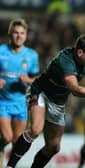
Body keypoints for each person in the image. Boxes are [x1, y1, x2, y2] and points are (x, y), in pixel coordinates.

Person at [6, 34, 85, 168]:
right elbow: (75, 90)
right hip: (41, 92)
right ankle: (10, 166)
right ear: (80, 52)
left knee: (53, 147)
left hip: (57, 101)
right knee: (35, 130)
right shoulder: (65, 61)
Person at [0, 19, 39, 166]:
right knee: (7, 136)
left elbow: (36, 78)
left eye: (22, 33)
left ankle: (11, 165)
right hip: (2, 102)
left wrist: (28, 80)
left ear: (26, 35)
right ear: (10, 33)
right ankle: (1, 146)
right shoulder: (1, 52)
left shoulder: (31, 55)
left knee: (17, 140)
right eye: (16, 32)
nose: (19, 36)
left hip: (20, 103)